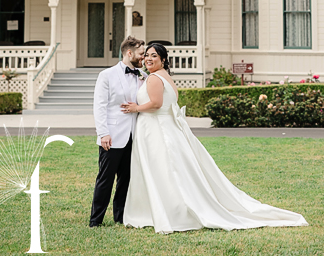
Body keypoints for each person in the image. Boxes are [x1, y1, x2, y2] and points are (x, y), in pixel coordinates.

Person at [120, 43, 309, 233]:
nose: (149, 59)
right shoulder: (166, 77)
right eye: (147, 55)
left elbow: (156, 103)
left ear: (162, 60)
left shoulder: (153, 78)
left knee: (161, 170)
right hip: (167, 129)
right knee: (171, 170)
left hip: (156, 129)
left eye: (154, 56)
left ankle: (170, 211)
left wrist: (136, 108)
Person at [90, 35, 145, 227]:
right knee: (105, 179)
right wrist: (103, 133)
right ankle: (95, 219)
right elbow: (100, 106)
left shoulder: (143, 76)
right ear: (129, 53)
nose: (143, 58)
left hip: (134, 136)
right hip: (112, 136)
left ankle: (120, 216)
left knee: (126, 180)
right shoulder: (106, 75)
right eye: (140, 54)